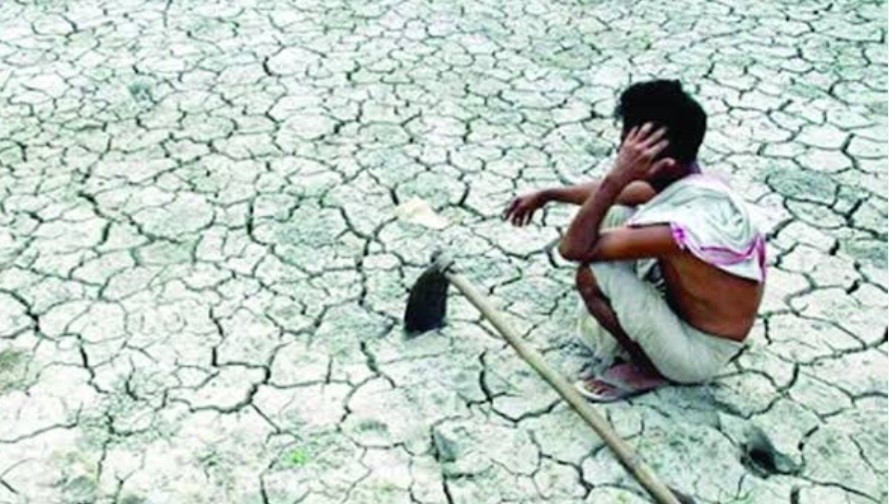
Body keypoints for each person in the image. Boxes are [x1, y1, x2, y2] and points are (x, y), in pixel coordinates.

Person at [503, 80, 765, 402]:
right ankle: (647, 338)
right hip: (692, 319)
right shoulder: (692, 180)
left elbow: (572, 249)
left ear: (664, 164)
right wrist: (548, 194)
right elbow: (628, 194)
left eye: (631, 153)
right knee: (618, 213)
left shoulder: (680, 229)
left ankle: (648, 368)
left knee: (592, 275)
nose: (623, 156)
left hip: (697, 354)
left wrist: (617, 176)